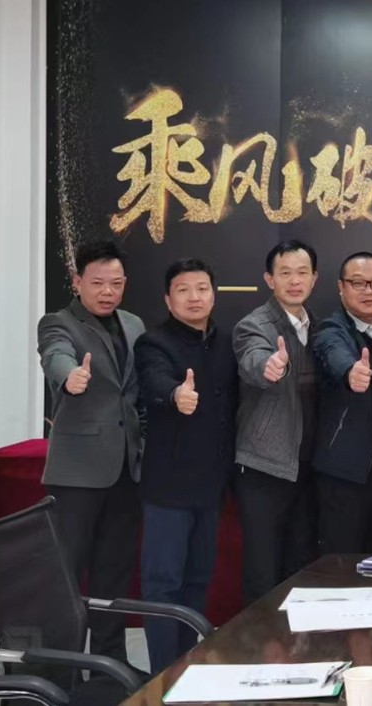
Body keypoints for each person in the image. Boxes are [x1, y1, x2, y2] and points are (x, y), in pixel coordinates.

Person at [36, 239, 144, 663]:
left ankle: (109, 666)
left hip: (126, 470)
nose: (107, 291)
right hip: (77, 475)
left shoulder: (133, 324)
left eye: (115, 283)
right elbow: (55, 356)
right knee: (64, 575)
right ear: (77, 281)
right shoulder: (58, 322)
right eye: (97, 282)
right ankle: (57, 668)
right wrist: (70, 377)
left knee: (113, 574)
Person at [134, 258, 237, 674]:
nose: (194, 297)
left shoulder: (226, 342)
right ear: (167, 299)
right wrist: (176, 394)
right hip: (169, 489)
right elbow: (153, 380)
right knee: (163, 584)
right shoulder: (154, 343)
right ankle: (162, 675)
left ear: (213, 294)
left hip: (211, 487)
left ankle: (186, 665)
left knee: (197, 581)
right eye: (183, 290)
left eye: (202, 288)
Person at [233, 240, 320, 606]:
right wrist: (269, 367)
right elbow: (253, 358)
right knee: (263, 571)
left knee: (299, 566)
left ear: (314, 278)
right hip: (264, 466)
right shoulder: (253, 325)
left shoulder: (317, 326)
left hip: (306, 467)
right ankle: (257, 641)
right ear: (270, 279)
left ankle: (294, 640)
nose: (294, 281)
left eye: (302, 273)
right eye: (285, 273)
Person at [311, 252, 372, 554]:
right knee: (341, 562)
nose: (369, 290)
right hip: (346, 473)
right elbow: (334, 353)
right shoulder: (331, 329)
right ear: (341, 287)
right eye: (358, 283)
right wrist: (350, 372)